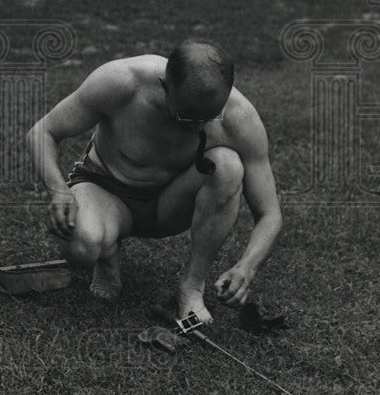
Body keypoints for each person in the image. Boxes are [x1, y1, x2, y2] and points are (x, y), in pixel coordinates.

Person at [26, 39, 283, 324]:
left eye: (209, 117)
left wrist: (247, 267)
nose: (199, 127)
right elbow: (42, 132)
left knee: (227, 166)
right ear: (165, 86)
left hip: (168, 206)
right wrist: (59, 191)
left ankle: (191, 287)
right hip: (106, 190)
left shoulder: (239, 118)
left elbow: (269, 214)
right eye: (187, 116)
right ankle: (107, 254)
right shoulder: (121, 82)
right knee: (81, 246)